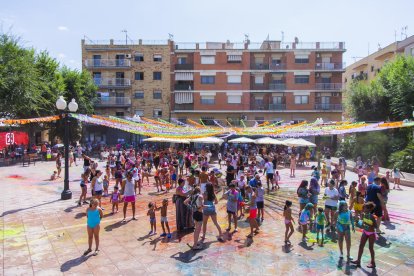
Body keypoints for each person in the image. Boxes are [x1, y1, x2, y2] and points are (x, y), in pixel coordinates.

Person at [351, 202, 378, 269]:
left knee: (370, 248)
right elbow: (363, 223)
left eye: (365, 210)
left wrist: (368, 225)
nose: (364, 211)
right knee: (361, 246)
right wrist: (359, 223)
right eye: (363, 209)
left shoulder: (372, 217)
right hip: (365, 232)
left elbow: (375, 226)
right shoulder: (363, 215)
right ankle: (358, 260)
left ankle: (373, 262)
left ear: (370, 210)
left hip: (371, 233)